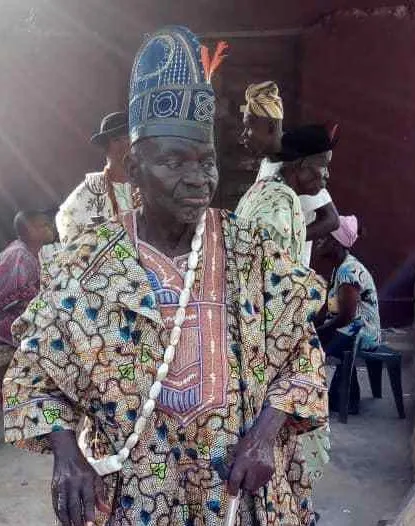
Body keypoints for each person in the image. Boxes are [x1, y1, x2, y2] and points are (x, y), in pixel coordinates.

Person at [3, 27, 327, 526]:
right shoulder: (86, 263)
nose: (198, 179)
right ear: (134, 167)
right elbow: (33, 377)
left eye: (207, 162)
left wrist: (264, 438)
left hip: (238, 499)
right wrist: (66, 455)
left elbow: (302, 355)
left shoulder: (253, 253)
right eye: (175, 161)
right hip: (132, 503)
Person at [237, 106, 336, 265]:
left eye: (250, 129)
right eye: (324, 165)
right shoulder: (279, 205)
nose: (242, 137)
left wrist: (293, 239)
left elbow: (332, 219)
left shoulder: (280, 185)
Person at [316, 215, 381, 413]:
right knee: (317, 338)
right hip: (352, 329)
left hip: (362, 331)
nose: (319, 241)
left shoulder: (348, 271)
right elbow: (332, 310)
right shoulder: (340, 268)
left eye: (324, 238)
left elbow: (346, 317)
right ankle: (343, 395)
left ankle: (346, 397)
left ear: (336, 244)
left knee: (315, 345)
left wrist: (317, 332)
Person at [55, 111, 138, 245]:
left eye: (128, 137)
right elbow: (65, 220)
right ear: (106, 146)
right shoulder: (93, 187)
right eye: (117, 140)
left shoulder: (147, 180)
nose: (125, 144)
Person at [0, 210, 55, 346]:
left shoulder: (33, 252)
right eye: (44, 225)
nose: (50, 228)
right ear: (30, 231)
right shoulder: (20, 255)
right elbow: (14, 300)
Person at [297, 126, 340, 267]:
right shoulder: (271, 166)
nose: (327, 174)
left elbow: (333, 219)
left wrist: (294, 238)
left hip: (292, 265)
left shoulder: (311, 184)